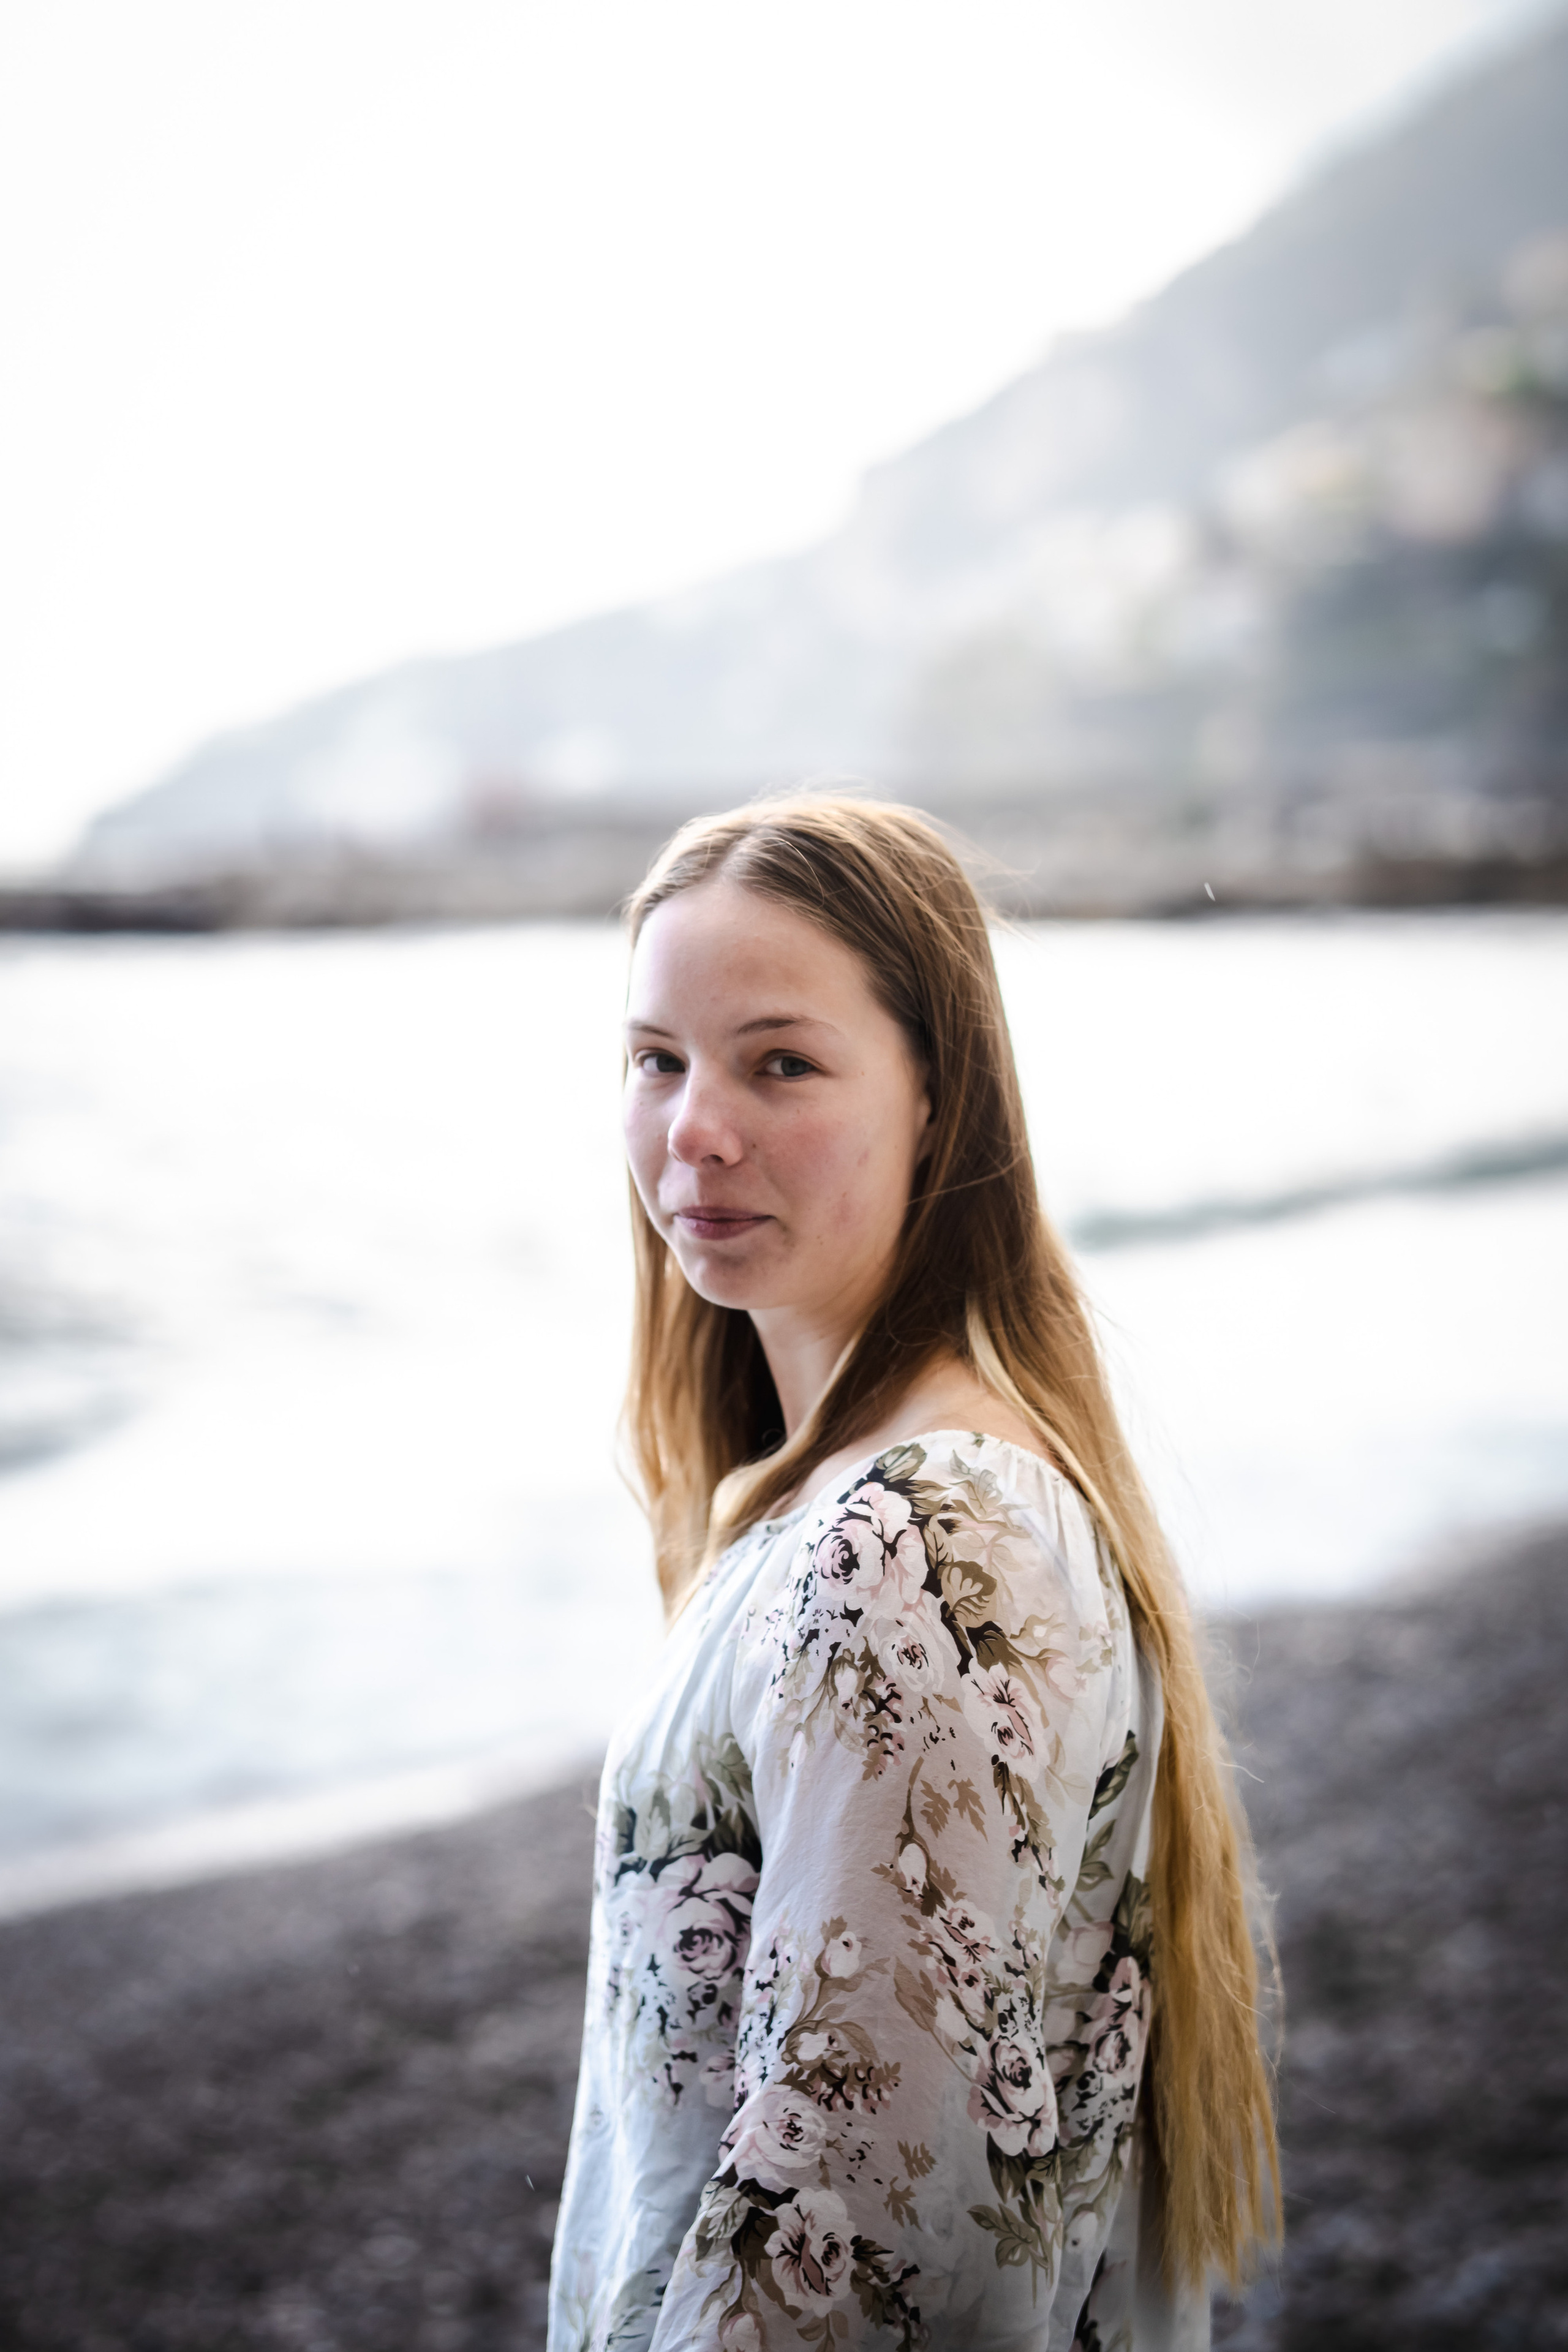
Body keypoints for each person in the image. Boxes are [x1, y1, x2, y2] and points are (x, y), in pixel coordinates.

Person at [547, 796, 1276, 2351]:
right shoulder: (855, 1499)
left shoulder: (918, 1539)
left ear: (938, 1102)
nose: (695, 1130)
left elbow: (849, 2230)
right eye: (655, 1060)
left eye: (779, 1062)